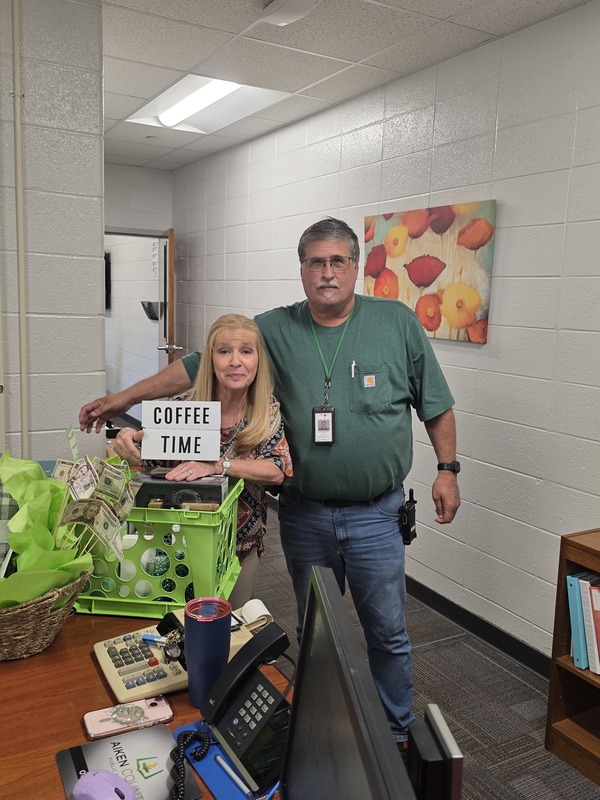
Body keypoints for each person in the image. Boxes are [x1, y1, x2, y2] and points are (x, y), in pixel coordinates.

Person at [80, 218, 460, 752]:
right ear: (302, 269)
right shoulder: (274, 329)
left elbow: (436, 403)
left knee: (388, 633)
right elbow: (191, 368)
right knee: (312, 632)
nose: (327, 272)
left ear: (355, 266)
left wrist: (448, 469)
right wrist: (121, 402)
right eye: (315, 262)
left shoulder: (396, 322)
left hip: (377, 513)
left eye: (338, 262)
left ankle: (395, 732)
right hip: (304, 514)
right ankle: (316, 725)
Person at [110, 313, 292, 609]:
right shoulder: (183, 407)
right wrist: (128, 439)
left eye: (246, 351)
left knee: (227, 631)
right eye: (224, 351)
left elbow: (278, 470)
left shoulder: (266, 412)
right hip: (177, 544)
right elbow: (149, 457)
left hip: (237, 547)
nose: (235, 361)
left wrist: (219, 466)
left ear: (258, 360)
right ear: (210, 360)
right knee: (174, 629)